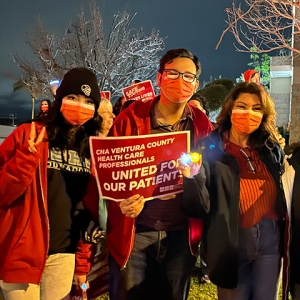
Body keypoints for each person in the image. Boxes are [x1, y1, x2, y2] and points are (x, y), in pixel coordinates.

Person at [107, 48, 214, 300]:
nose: (181, 81)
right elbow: (108, 174)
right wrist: (121, 201)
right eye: (173, 73)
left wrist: (194, 177)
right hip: (136, 234)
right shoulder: (130, 119)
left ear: (196, 83)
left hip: (181, 237)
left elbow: (211, 176)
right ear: (159, 78)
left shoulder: (202, 124)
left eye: (188, 76)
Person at [0, 67, 102, 300]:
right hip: (22, 251)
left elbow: (86, 210)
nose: (79, 105)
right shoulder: (28, 134)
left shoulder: (92, 148)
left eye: (88, 101)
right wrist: (25, 160)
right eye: (73, 97)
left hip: (64, 255)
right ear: (59, 99)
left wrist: (82, 263)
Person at [180, 82, 287, 300]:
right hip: (230, 241)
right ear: (230, 109)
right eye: (242, 106)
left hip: (270, 237)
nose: (249, 113)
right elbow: (199, 206)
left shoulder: (270, 147)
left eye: (257, 108)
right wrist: (192, 178)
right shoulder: (210, 147)